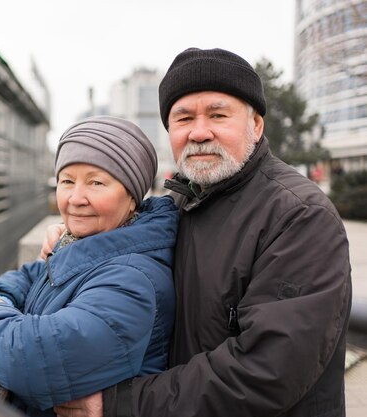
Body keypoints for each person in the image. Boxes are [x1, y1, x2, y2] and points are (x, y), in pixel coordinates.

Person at [52, 48, 352, 417]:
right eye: (183, 118)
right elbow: (122, 247)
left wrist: (122, 403)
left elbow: (267, 371)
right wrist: (71, 242)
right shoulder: (181, 202)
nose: (198, 132)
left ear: (256, 125)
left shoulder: (299, 217)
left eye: (218, 115)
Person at [0, 116, 179, 416]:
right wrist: (0, 296)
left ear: (132, 196)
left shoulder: (132, 280)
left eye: (96, 182)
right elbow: (33, 274)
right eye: (66, 181)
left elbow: (33, 359)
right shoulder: (89, 244)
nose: (76, 199)